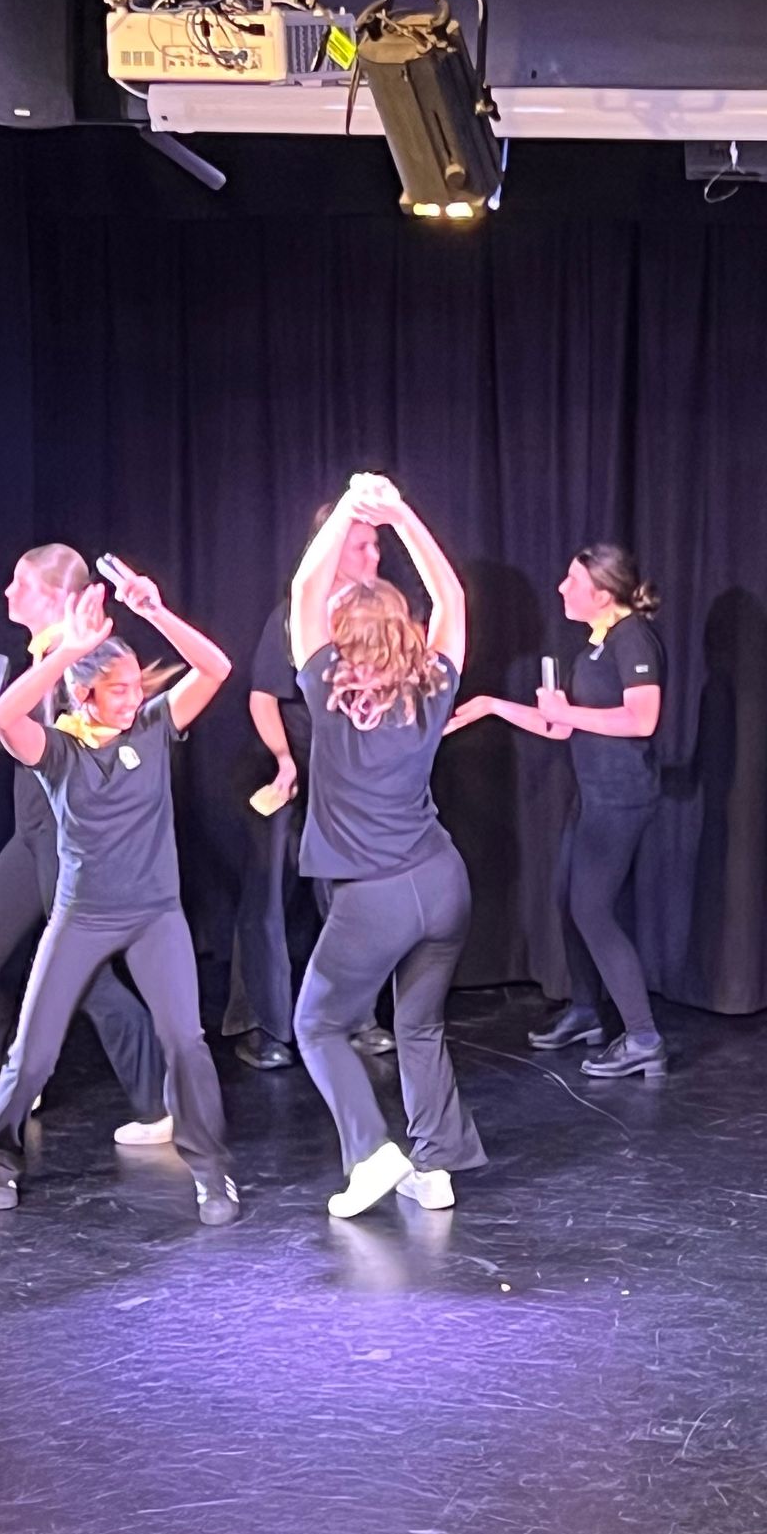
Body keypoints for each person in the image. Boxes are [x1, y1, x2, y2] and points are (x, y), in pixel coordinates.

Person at [0, 567, 240, 1222]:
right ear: (84, 693)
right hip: (82, 917)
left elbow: (217, 668)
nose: (133, 697)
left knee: (186, 1042)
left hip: (155, 916)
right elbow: (4, 717)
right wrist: (67, 649)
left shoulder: (154, 726)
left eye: (136, 685)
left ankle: (212, 1174)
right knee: (33, 1054)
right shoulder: (58, 751)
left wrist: (156, 610)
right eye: (118, 689)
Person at [289, 475, 487, 1219]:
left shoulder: (327, 688)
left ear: (342, 635)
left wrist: (349, 505)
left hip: (376, 896)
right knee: (419, 1025)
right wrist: (401, 513)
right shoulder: (431, 683)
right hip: (442, 882)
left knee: (317, 1024)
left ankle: (371, 1152)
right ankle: (435, 1166)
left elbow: (305, 587)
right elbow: (451, 596)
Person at [0, 545, 169, 1143]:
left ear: (58, 598)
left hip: (66, 840)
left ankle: (161, 1104)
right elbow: (19, 734)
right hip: (31, 835)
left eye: (21, 584)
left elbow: (91, 749)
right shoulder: (42, 659)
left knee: (86, 981)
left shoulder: (82, 664)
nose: (8, 592)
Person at [451, 542, 668, 1078]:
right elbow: (559, 726)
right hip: (591, 793)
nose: (561, 588)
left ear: (603, 593)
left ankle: (644, 1038)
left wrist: (568, 712)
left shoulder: (632, 638)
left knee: (592, 910)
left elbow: (642, 719)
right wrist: (490, 706)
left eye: (574, 581)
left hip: (621, 797)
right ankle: (587, 1012)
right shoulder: (594, 645)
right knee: (568, 901)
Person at [225, 504, 392, 1071]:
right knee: (270, 896)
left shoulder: (380, 616)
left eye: (376, 545)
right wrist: (283, 759)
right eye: (361, 546)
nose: (374, 555)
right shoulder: (295, 616)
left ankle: (357, 1017)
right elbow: (263, 697)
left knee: (349, 897)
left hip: (345, 783)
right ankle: (267, 1027)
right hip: (287, 772)